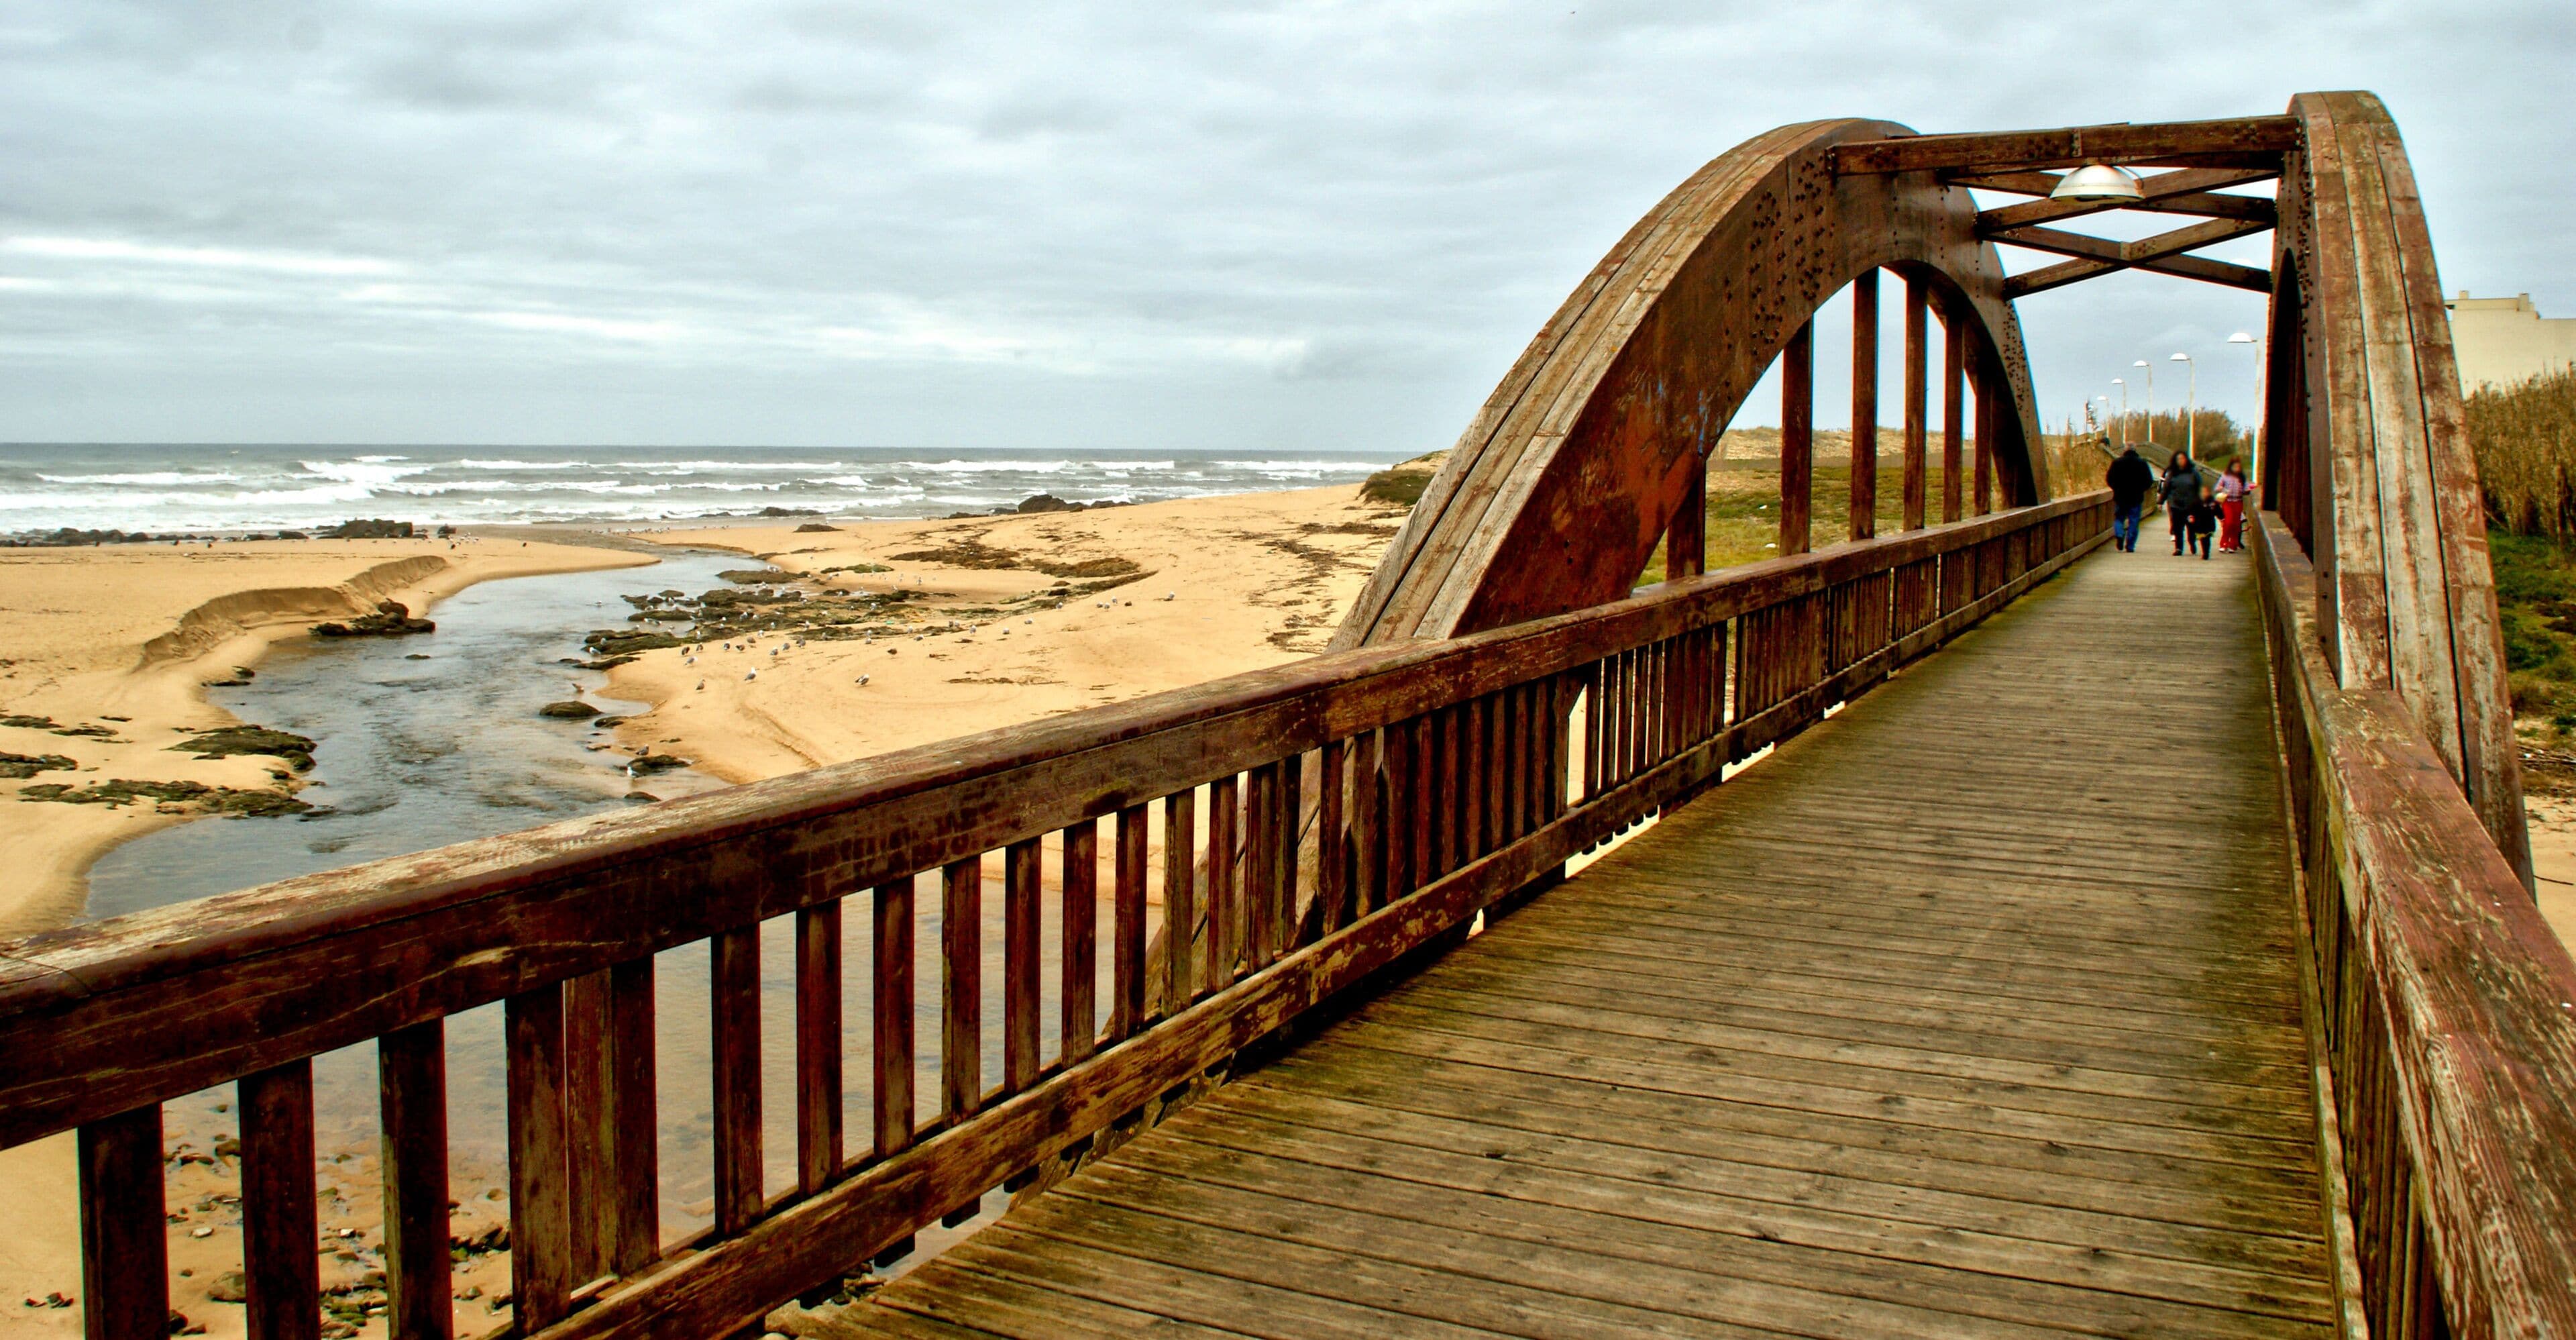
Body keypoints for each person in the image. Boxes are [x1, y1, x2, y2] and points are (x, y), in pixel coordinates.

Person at [2105, 446, 2153, 552]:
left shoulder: (2117, 463)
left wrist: (2116, 489)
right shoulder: (2142, 463)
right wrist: (2141, 489)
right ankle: (2130, 546)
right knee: (2134, 521)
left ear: (2125, 451)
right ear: (2135, 451)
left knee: (2119, 518)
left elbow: (2109, 479)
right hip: (2136, 497)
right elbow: (2149, 480)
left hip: (2120, 497)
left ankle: (2119, 534)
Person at [2157, 451, 2200, 556]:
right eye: (2178, 459)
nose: (2181, 461)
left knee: (2191, 527)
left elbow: (2199, 488)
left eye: (2182, 459)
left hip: (2190, 505)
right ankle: (2179, 548)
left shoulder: (2193, 473)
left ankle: (2192, 542)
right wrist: (2161, 501)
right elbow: (2166, 488)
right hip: (2176, 504)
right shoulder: (2172, 474)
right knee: (2178, 527)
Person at [2214, 457, 2252, 553]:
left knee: (2236, 524)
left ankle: (2233, 544)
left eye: (2238, 467)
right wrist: (2224, 490)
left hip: (2238, 502)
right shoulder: (2225, 476)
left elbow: (2246, 489)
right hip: (2228, 502)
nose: (2237, 469)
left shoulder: (2242, 478)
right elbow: (2217, 487)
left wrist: (2246, 491)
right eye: (2235, 467)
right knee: (2229, 522)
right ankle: (2224, 543)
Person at [2188, 485, 2218, 559]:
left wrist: (2223, 519)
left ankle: (2206, 553)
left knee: (2207, 538)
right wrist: (2191, 516)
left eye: (2206, 492)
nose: (2205, 494)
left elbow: (2218, 511)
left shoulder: (2213, 502)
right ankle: (2204, 551)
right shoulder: (2197, 501)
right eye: (2203, 492)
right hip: (2199, 523)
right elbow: (2192, 509)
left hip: (2210, 523)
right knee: (2202, 538)